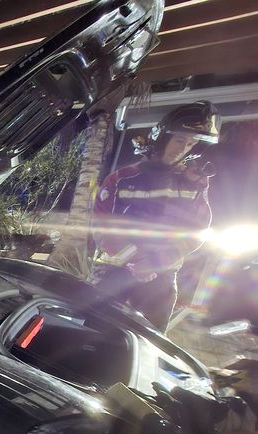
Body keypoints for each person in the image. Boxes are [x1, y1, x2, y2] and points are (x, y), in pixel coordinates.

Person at [90, 101, 221, 332]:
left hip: (161, 277)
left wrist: (156, 263)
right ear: (162, 138)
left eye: (191, 143)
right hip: (114, 273)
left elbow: (198, 231)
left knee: (148, 342)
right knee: (92, 333)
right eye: (180, 140)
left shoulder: (196, 183)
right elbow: (103, 227)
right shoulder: (121, 179)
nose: (183, 149)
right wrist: (137, 262)